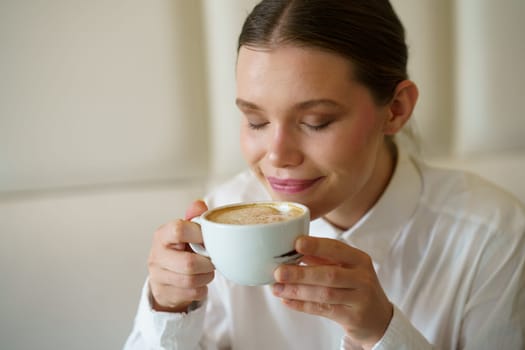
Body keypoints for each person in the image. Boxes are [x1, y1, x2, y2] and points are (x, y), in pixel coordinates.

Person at [124, 1, 525, 349]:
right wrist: (169, 307)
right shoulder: (221, 221)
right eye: (255, 120)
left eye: (316, 122)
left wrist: (381, 333)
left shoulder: (492, 235)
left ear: (396, 109)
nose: (277, 155)